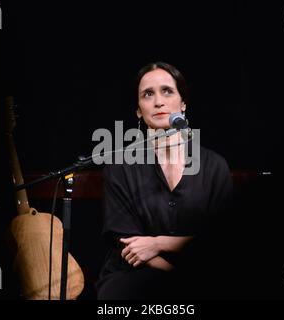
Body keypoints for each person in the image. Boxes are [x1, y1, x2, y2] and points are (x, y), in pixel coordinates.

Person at [96, 61, 233, 300]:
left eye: (167, 91)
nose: (158, 101)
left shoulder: (214, 166)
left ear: (183, 103)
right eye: (148, 94)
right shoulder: (120, 167)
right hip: (135, 273)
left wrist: (159, 243)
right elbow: (128, 246)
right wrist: (178, 279)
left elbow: (223, 241)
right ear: (139, 110)